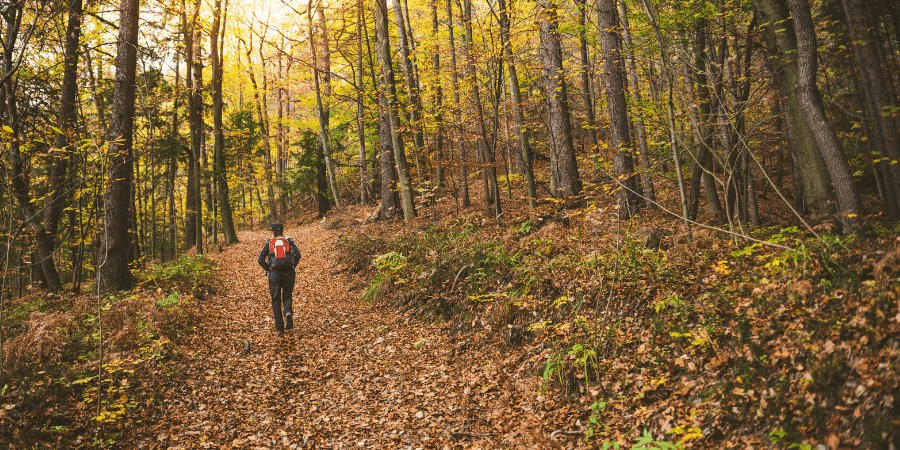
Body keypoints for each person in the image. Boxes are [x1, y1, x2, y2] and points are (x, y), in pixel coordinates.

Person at [257, 222, 302, 337]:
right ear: (282, 230)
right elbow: (298, 255)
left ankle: (279, 328)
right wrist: (292, 267)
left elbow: (260, 259)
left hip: (274, 275)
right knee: (287, 296)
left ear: (272, 231)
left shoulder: (269, 243)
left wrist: (269, 268)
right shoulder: (289, 241)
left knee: (276, 300)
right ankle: (287, 312)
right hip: (289, 273)